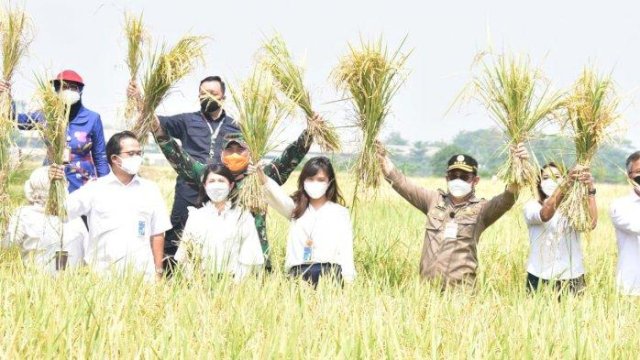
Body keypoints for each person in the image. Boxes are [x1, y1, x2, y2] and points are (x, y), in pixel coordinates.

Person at [151, 114, 319, 271]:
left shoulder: (260, 176)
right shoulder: (211, 176)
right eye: (229, 151)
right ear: (222, 155)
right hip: (215, 264)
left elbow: (289, 157)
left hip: (256, 261)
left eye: (240, 150)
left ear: (250, 152)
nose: (234, 155)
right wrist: (158, 130)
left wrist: (309, 133)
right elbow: (180, 158)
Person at [377, 145, 529, 288]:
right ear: (446, 178)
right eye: (453, 175)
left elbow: (507, 199)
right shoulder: (433, 201)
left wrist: (518, 166)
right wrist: (382, 158)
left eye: (464, 177)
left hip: (461, 293)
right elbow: (402, 184)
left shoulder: (481, 210)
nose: (458, 180)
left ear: (475, 180)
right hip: (427, 292)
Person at [129, 76, 239, 263]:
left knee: (216, 235)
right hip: (189, 188)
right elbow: (154, 123)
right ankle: (167, 275)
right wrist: (140, 100)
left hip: (220, 190)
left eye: (213, 93)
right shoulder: (188, 121)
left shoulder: (234, 125)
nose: (208, 97)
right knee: (176, 234)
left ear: (223, 98)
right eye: (203, 93)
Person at [49, 131, 171, 280]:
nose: (137, 158)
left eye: (139, 153)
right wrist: (55, 183)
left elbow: (157, 233)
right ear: (115, 158)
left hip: (142, 278)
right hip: (103, 278)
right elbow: (61, 211)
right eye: (131, 153)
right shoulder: (95, 189)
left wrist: (158, 272)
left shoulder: (150, 189)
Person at [0, 70, 109, 193]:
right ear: (57, 90)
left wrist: (105, 189)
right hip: (50, 180)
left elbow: (100, 157)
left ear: (80, 91)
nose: (68, 90)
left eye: (73, 87)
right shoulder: (46, 116)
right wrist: (6, 96)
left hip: (82, 184)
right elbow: (16, 121)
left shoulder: (92, 118)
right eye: (64, 86)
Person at [256, 157, 355, 287]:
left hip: (329, 274)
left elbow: (346, 248)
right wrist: (259, 173)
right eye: (310, 179)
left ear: (329, 182)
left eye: (320, 180)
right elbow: (274, 193)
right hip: (298, 273)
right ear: (303, 181)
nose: (315, 183)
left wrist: (348, 278)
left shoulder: (340, 212)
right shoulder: (295, 208)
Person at [175, 164, 264, 281]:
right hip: (201, 282)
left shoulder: (243, 216)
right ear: (205, 186)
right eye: (211, 181)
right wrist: (195, 281)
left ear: (231, 185)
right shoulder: (196, 216)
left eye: (221, 180)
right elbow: (186, 255)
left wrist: (238, 284)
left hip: (234, 282)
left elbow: (249, 253)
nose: (216, 185)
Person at [523, 162, 597, 294]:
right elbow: (545, 215)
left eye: (557, 176)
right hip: (540, 275)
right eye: (546, 178)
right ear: (539, 183)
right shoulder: (532, 206)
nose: (551, 181)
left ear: (563, 178)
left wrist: (590, 190)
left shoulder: (574, 208)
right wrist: (567, 182)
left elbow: (590, 224)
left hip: (572, 275)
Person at [3, 167, 87, 273]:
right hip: (71, 281)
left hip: (35, 281)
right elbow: (86, 255)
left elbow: (6, 248)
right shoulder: (75, 217)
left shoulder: (23, 215)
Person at [610, 151, 640, 296]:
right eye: (639, 171)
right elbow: (636, 226)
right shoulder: (620, 206)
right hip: (630, 287)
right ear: (629, 176)